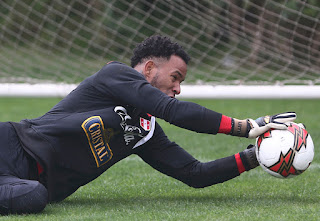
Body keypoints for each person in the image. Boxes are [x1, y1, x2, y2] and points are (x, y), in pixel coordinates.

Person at [0, 35, 296, 214]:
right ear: (150, 68)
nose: (178, 88)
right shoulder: (113, 75)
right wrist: (244, 126)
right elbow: (173, 111)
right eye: (175, 77)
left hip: (30, 183)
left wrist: (256, 156)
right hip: (11, 145)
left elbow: (195, 174)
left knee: (34, 198)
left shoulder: (145, 131)